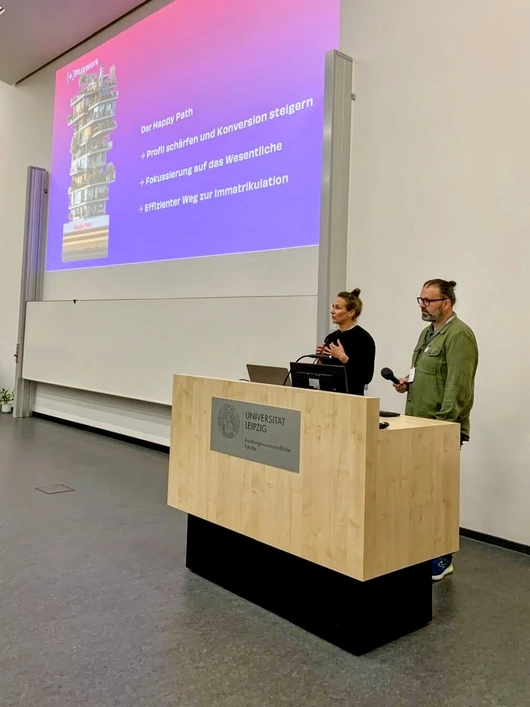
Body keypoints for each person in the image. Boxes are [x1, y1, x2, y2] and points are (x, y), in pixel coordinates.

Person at [394, 278, 478, 581]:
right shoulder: (427, 333)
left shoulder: (459, 335)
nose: (423, 306)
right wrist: (407, 382)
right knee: (419, 494)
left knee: (438, 494)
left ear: (447, 303)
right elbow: (428, 374)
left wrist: (442, 428)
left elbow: (458, 386)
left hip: (439, 430)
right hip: (416, 425)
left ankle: (442, 558)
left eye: (429, 301)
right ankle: (421, 550)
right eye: (420, 300)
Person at [316, 288, 376, 396]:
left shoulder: (364, 339)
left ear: (351, 313)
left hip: (352, 397)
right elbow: (325, 373)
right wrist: (321, 359)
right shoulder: (331, 337)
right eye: (333, 306)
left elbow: (366, 377)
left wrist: (344, 358)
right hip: (329, 396)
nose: (332, 311)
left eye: (337, 307)